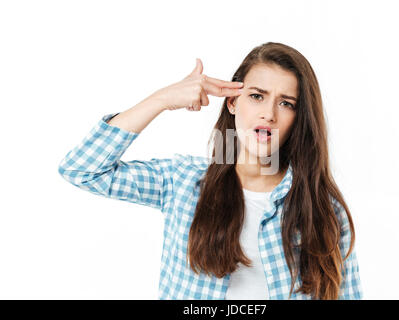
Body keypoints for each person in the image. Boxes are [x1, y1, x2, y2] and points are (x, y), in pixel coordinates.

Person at [58, 42, 362, 300]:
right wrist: (162, 100)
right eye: (257, 96)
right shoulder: (183, 181)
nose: (268, 114)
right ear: (232, 102)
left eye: (286, 103)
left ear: (299, 117)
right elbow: (82, 170)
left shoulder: (322, 208)